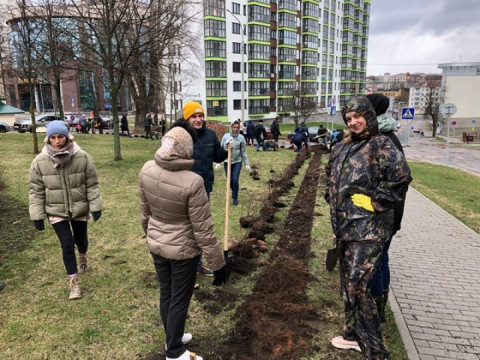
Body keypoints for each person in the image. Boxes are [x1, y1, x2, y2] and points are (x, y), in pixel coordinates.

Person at [324, 95, 411, 359]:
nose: (353, 122)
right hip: (345, 229)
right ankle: (351, 334)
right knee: (347, 286)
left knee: (358, 289)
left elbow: (401, 177)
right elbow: (329, 173)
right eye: (348, 119)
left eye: (357, 116)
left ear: (368, 116)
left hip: (369, 231)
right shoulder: (342, 147)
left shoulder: (380, 144)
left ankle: (376, 351)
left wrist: (376, 201)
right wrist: (332, 196)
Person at [139, 123, 226, 360]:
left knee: (166, 292)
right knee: (179, 297)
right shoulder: (192, 182)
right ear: (186, 149)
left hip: (157, 243)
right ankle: (175, 352)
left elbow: (144, 212)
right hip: (183, 250)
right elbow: (203, 228)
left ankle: (173, 337)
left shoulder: (146, 169)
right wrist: (218, 263)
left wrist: (150, 235)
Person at [29, 120, 103, 300]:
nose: (57, 141)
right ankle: (74, 281)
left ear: (67, 136)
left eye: (60, 136)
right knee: (67, 244)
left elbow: (91, 184)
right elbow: (36, 189)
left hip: (79, 207)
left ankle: (83, 255)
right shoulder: (39, 162)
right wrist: (37, 215)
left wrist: (95, 206)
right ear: (48, 139)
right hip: (55, 209)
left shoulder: (83, 157)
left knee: (81, 240)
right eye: (52, 137)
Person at [366, 93, 406, 322]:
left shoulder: (385, 140)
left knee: (377, 261)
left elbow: (396, 182)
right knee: (382, 259)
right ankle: (378, 308)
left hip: (383, 213)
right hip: (388, 212)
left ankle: (375, 311)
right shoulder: (386, 135)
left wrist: (373, 203)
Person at [182, 101, 231, 276]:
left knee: (201, 228)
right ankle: (186, 269)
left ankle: (198, 265)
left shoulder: (210, 135)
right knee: (186, 229)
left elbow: (217, 157)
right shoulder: (181, 136)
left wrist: (226, 150)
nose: (198, 119)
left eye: (200, 115)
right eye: (194, 116)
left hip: (204, 188)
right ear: (187, 118)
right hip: (184, 190)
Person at [217, 120, 251, 205]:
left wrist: (247, 163)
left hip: (237, 162)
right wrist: (218, 162)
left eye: (237, 127)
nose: (235, 129)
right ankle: (234, 190)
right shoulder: (226, 136)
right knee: (230, 181)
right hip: (227, 162)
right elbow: (221, 149)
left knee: (235, 180)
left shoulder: (241, 138)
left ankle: (235, 197)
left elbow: (243, 151)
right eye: (234, 127)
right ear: (231, 127)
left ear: (239, 128)